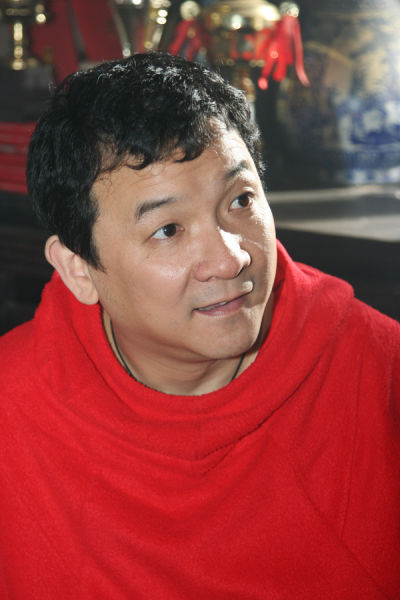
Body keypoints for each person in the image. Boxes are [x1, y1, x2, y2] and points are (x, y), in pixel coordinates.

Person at [0, 52, 399, 599]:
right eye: (168, 230)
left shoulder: (378, 372)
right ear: (78, 269)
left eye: (241, 200)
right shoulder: (13, 406)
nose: (231, 259)